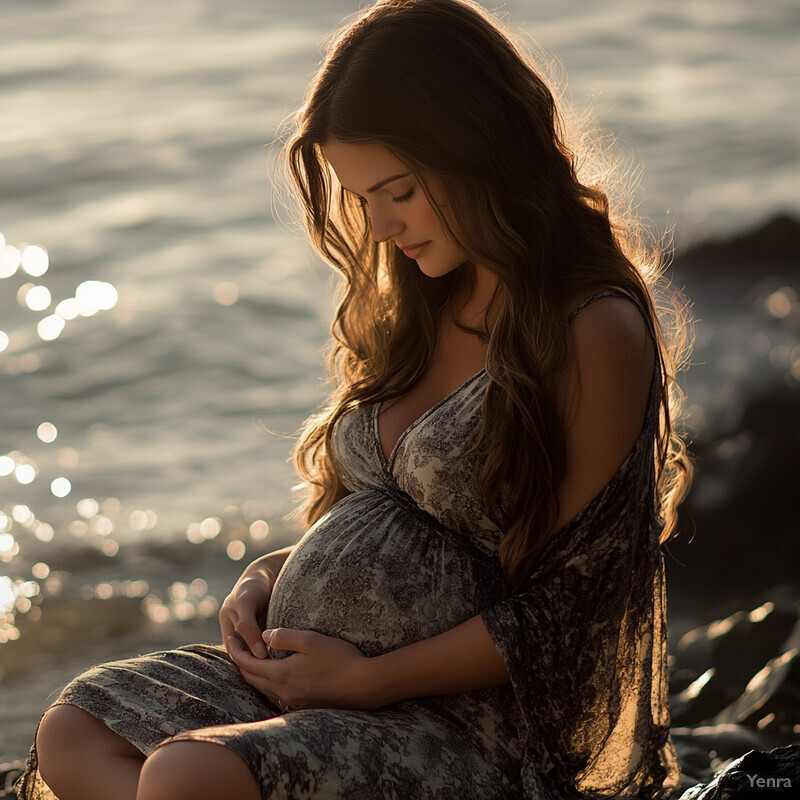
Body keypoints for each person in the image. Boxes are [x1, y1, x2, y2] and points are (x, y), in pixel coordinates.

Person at [18, 0, 694, 798]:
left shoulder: (589, 330)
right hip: (334, 692)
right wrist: (267, 579)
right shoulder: (427, 301)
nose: (377, 227)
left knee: (185, 773)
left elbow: (579, 607)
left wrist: (366, 682)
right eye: (361, 197)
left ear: (476, 146)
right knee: (75, 729)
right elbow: (380, 520)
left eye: (398, 191)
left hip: (468, 723)